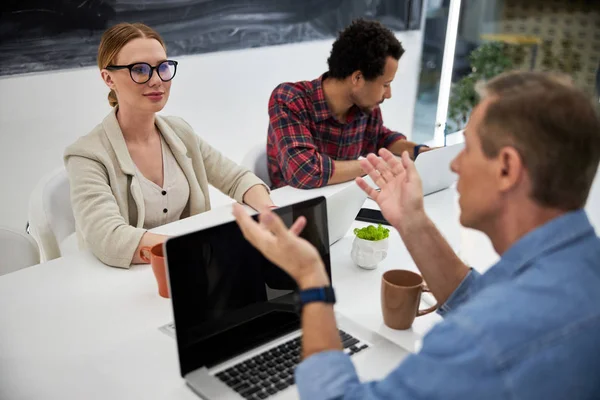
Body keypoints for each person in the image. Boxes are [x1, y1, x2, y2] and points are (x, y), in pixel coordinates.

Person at [234, 71, 600, 399]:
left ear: (507, 168)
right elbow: (482, 299)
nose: (455, 163)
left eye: (468, 148)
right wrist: (412, 221)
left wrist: (312, 279)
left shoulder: (483, 339)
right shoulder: (580, 266)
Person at [65, 23, 274, 268]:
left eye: (163, 67)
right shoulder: (86, 155)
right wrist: (191, 250)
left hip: (187, 269)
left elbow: (237, 179)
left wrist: (271, 214)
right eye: (140, 70)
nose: (157, 80)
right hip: (123, 281)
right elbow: (109, 236)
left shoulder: (179, 132)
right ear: (108, 78)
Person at [266, 19, 433, 189]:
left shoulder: (364, 107)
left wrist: (418, 150)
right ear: (357, 78)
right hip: (294, 209)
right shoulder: (289, 99)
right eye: (385, 84)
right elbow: (305, 172)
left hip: (344, 201)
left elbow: (379, 138)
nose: (388, 95)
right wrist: (374, 165)